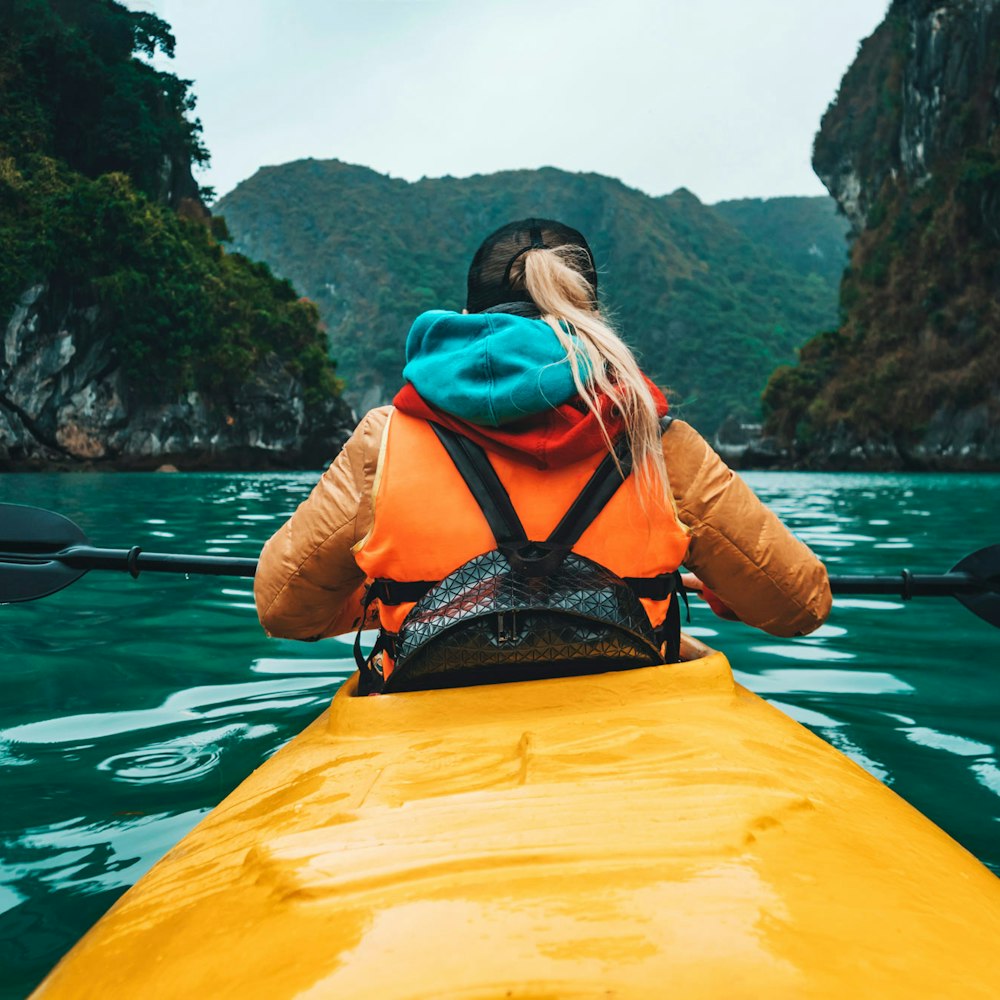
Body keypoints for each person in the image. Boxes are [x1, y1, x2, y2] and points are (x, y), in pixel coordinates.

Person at [254, 218, 831, 691]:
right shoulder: (655, 441)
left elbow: (284, 608)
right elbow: (799, 604)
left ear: (470, 315)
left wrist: (389, 601)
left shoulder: (384, 440)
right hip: (627, 724)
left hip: (428, 720)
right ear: (589, 314)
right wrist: (727, 596)